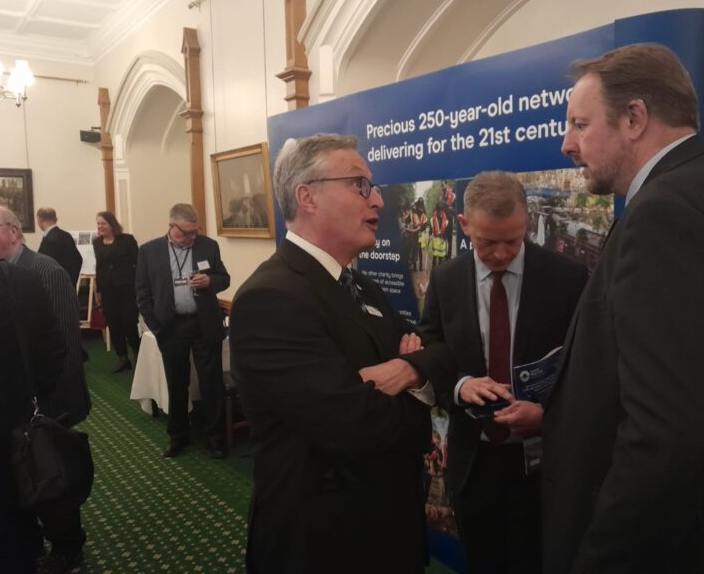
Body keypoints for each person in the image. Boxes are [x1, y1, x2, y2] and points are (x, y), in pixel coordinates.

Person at [541, 43, 704, 573]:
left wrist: (601, 560)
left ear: (634, 118)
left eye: (580, 124)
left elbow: (670, 433)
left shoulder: (667, 212)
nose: (566, 144)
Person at [229, 133, 453, 573]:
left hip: (390, 529)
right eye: (360, 185)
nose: (379, 202)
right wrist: (418, 399)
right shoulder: (270, 298)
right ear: (308, 197)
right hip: (326, 541)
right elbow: (354, 427)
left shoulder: (362, 287)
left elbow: (440, 354)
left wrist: (404, 372)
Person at [418, 173, 587, 573]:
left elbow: (586, 366)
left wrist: (548, 417)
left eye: (512, 241)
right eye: (486, 242)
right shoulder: (446, 279)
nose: (499, 254)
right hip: (473, 461)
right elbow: (433, 351)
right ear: (464, 226)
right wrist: (459, 387)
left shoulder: (567, 277)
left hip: (542, 464)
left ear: (527, 222)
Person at [0, 205, 92, 573]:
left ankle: (67, 546)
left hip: (49, 404)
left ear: (15, 232)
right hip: (16, 407)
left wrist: (54, 411)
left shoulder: (43, 271)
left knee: (52, 481)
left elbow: (64, 345)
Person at [135, 203, 230, 459]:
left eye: (194, 233)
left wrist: (211, 281)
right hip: (171, 327)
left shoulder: (208, 246)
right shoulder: (149, 251)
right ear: (171, 226)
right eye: (185, 233)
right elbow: (142, 294)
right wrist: (157, 327)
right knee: (177, 384)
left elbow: (224, 278)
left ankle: (215, 437)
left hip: (203, 324)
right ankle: (178, 436)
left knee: (212, 383)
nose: (191, 238)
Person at [0, 260, 65, 574]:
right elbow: (53, 345)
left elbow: (52, 343)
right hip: (13, 409)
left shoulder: (17, 278)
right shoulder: (16, 277)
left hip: (11, 414)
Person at [93, 211, 140, 372]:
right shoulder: (97, 243)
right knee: (114, 325)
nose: (100, 227)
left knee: (129, 324)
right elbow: (99, 267)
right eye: (98, 224)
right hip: (108, 290)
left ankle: (139, 355)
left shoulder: (127, 240)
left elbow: (138, 263)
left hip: (127, 289)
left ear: (112, 224)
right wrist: (99, 293)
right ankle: (123, 358)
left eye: (103, 223)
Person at [36, 207, 83, 287]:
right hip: (68, 286)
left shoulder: (49, 240)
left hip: (54, 288)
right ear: (56, 219)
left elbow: (44, 266)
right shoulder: (66, 235)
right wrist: (71, 282)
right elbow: (78, 259)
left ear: (40, 220)